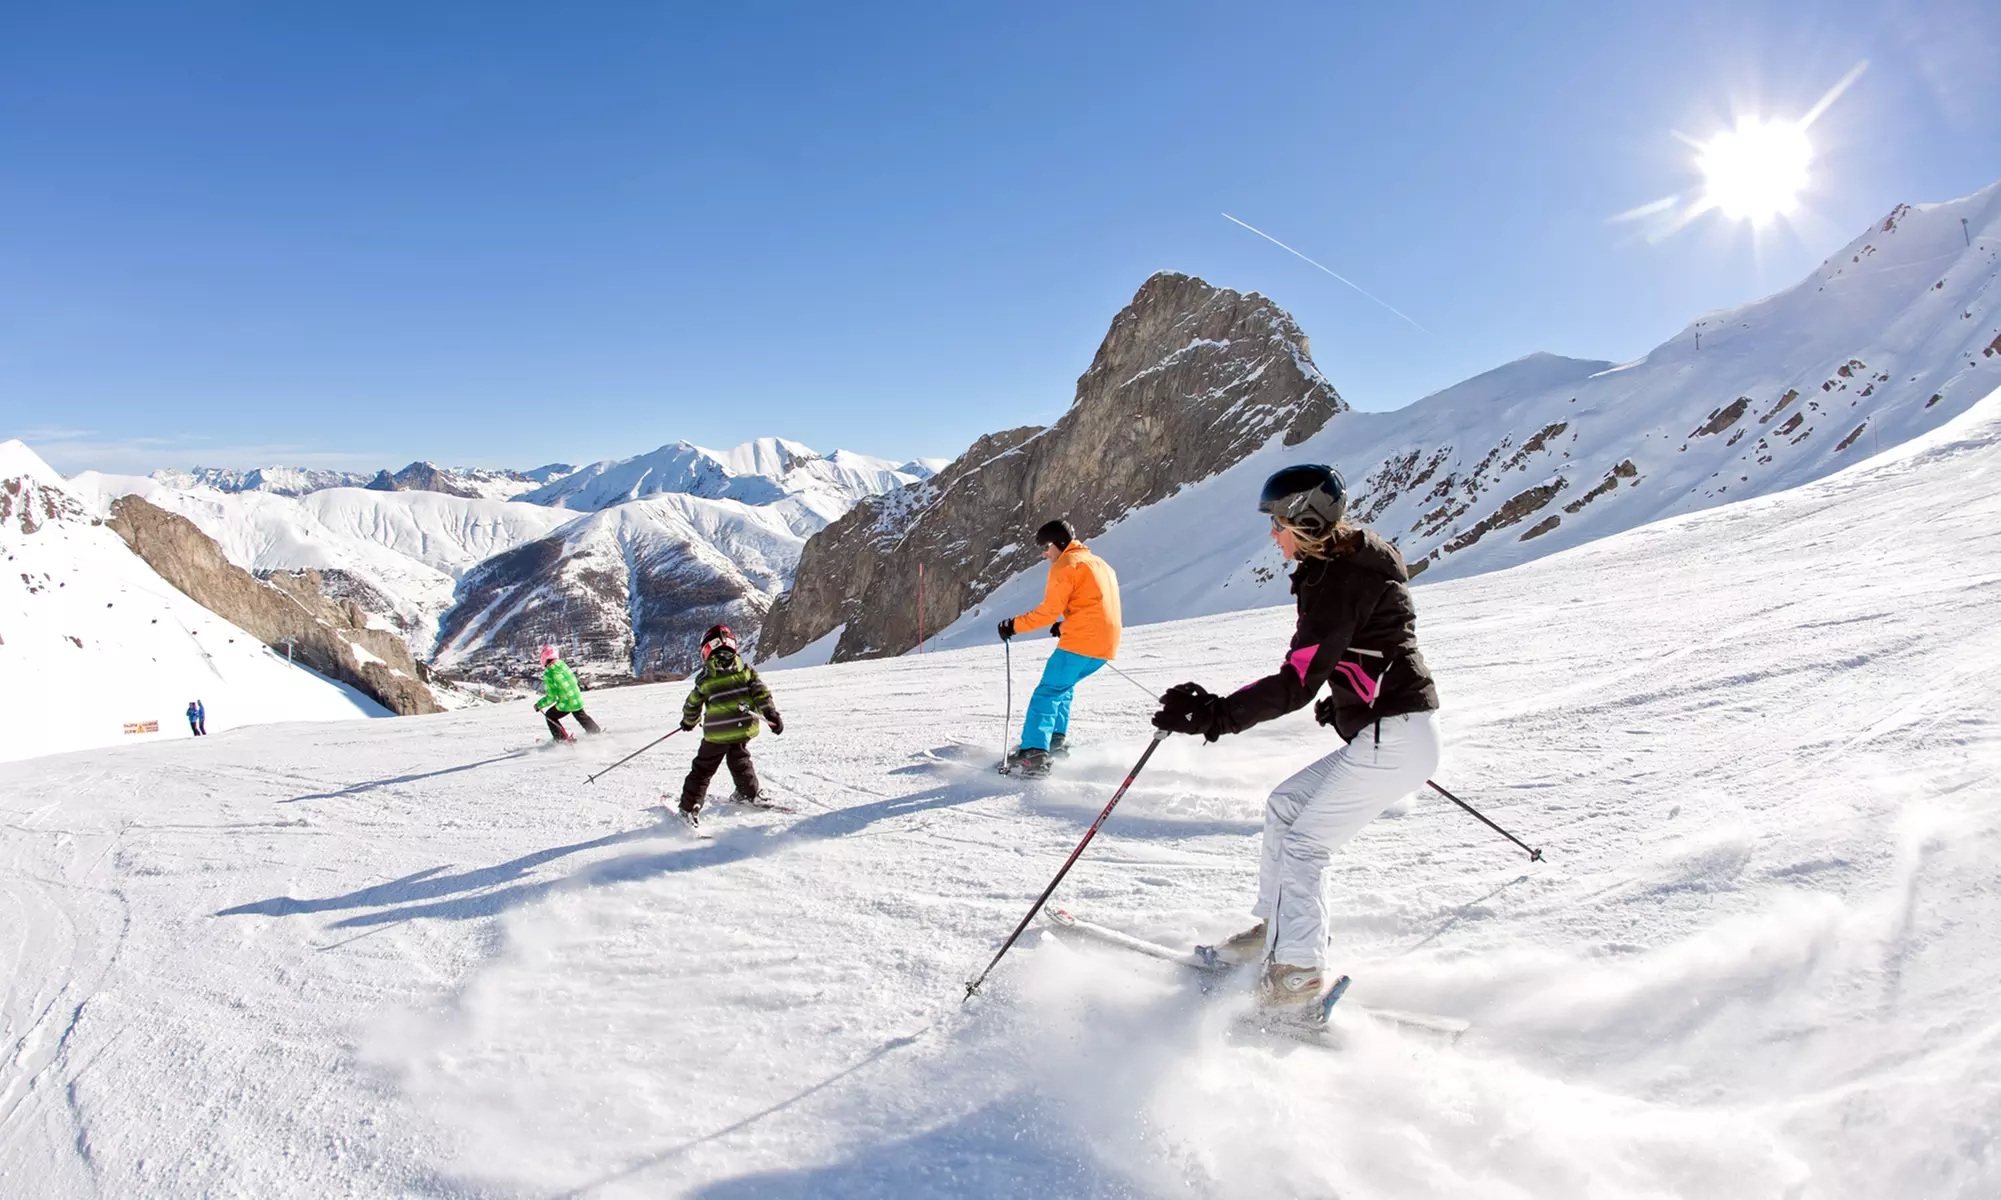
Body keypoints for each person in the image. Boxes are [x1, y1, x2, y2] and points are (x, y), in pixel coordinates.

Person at [1150, 465, 1441, 1013]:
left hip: (1395, 735)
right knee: (1286, 807)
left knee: (1308, 845)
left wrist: (1214, 715)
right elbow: (1374, 646)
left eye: (1279, 523)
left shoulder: (1340, 579)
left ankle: (1298, 976)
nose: (1273, 534)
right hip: (1391, 729)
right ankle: (1277, 934)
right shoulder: (1344, 562)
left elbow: (1295, 683)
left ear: (1306, 521)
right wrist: (1350, 698)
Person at [996, 518, 1122, 777]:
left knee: (1048, 692)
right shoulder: (1100, 564)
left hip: (1081, 641)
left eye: (1045, 547)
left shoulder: (1066, 565)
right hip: (1106, 644)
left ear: (1058, 544)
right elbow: (1096, 605)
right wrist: (1065, 625)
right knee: (1062, 688)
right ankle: (1054, 742)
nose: (1044, 553)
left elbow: (1046, 613)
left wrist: (1013, 625)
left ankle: (1034, 753)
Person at [677, 624, 784, 820]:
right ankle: (749, 793)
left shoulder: (705, 677)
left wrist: (689, 721)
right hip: (743, 728)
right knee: (740, 761)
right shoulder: (746, 671)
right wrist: (771, 714)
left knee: (703, 769)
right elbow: (761, 693)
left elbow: (693, 703)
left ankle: (689, 808)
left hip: (716, 734)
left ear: (707, 649)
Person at [534, 644, 601, 742]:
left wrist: (539, 705)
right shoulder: (562, 664)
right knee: (579, 714)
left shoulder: (549, 673)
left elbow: (551, 698)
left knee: (550, 715)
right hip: (577, 697)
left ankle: (562, 740)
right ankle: (596, 732)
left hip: (567, 702)